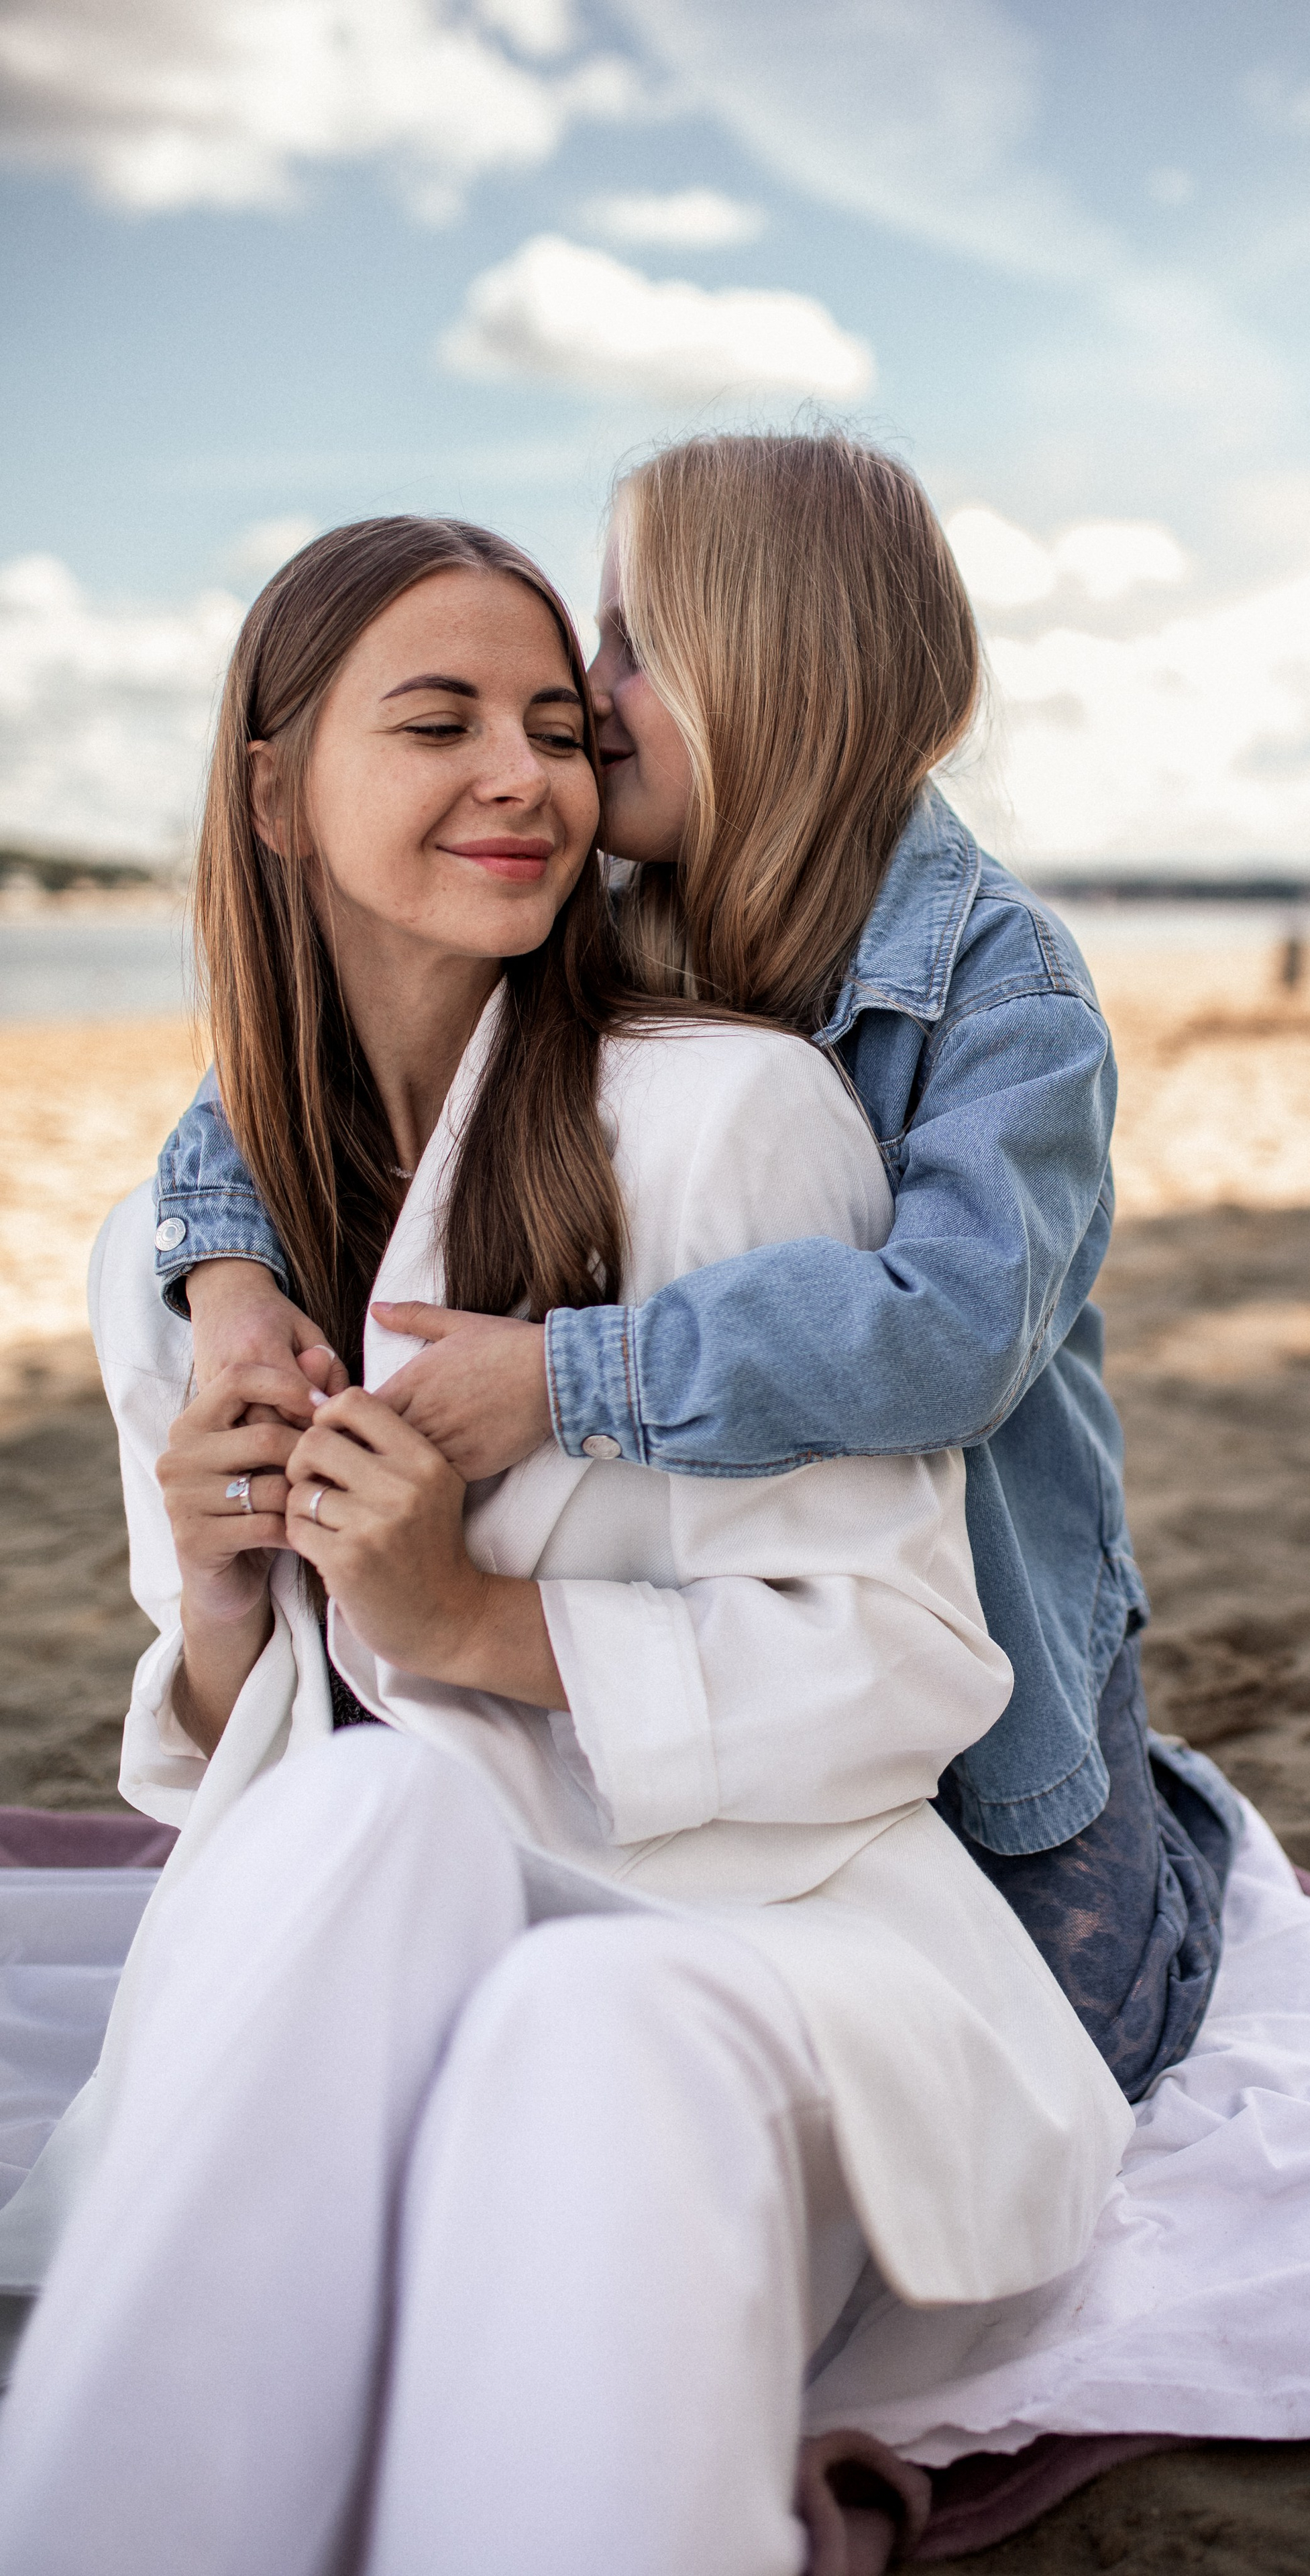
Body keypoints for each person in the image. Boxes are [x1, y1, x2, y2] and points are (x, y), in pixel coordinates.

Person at [0, 515, 1132, 2573]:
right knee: (361, 1828)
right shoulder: (180, 1268)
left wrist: (475, 1618)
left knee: (582, 2020)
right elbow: (225, 1747)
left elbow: (906, 1670)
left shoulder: (731, 1121)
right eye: (435, 723)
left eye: (556, 721)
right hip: (358, 1954)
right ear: (273, 789)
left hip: (747, 1930)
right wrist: (238, 1600)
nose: (523, 773)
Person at [152, 431, 1242, 2101]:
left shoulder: (999, 986)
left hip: (996, 1618)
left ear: (774, 670)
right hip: (756, 1608)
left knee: (1083, 2036)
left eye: (624, 644)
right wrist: (226, 1278)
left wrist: (568, 1377)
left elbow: (948, 1333)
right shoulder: (607, 895)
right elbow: (265, 1078)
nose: (581, 700)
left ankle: (1178, 1826)